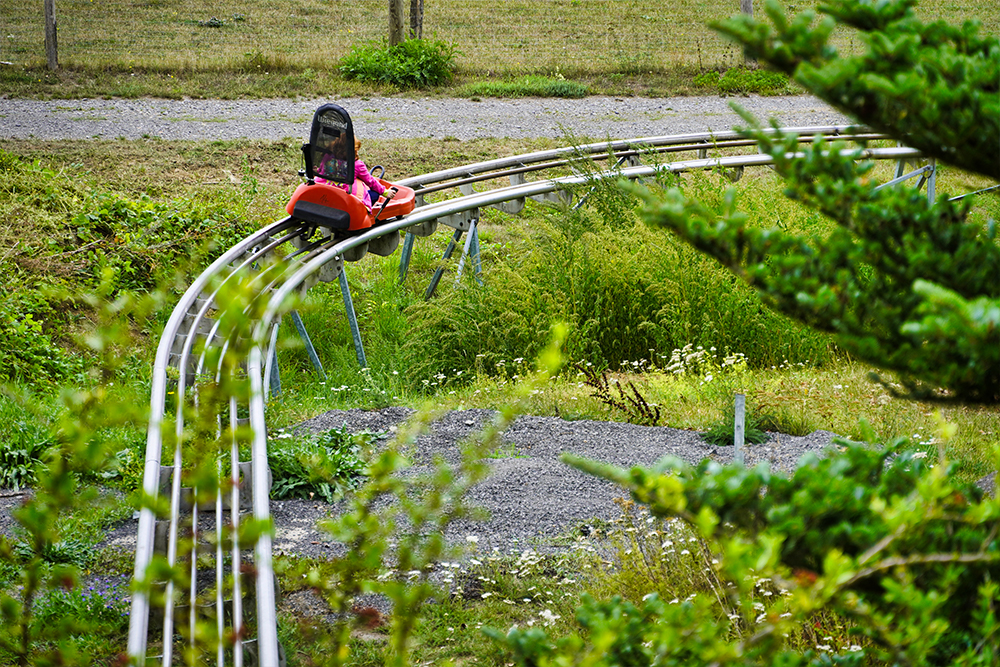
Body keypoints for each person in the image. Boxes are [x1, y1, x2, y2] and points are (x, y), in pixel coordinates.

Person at [318, 137, 386, 211]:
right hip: (345, 201)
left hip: (324, 195)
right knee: (375, 194)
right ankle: (364, 212)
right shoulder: (356, 164)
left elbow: (320, 171)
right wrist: (385, 192)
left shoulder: (327, 157)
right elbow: (370, 181)